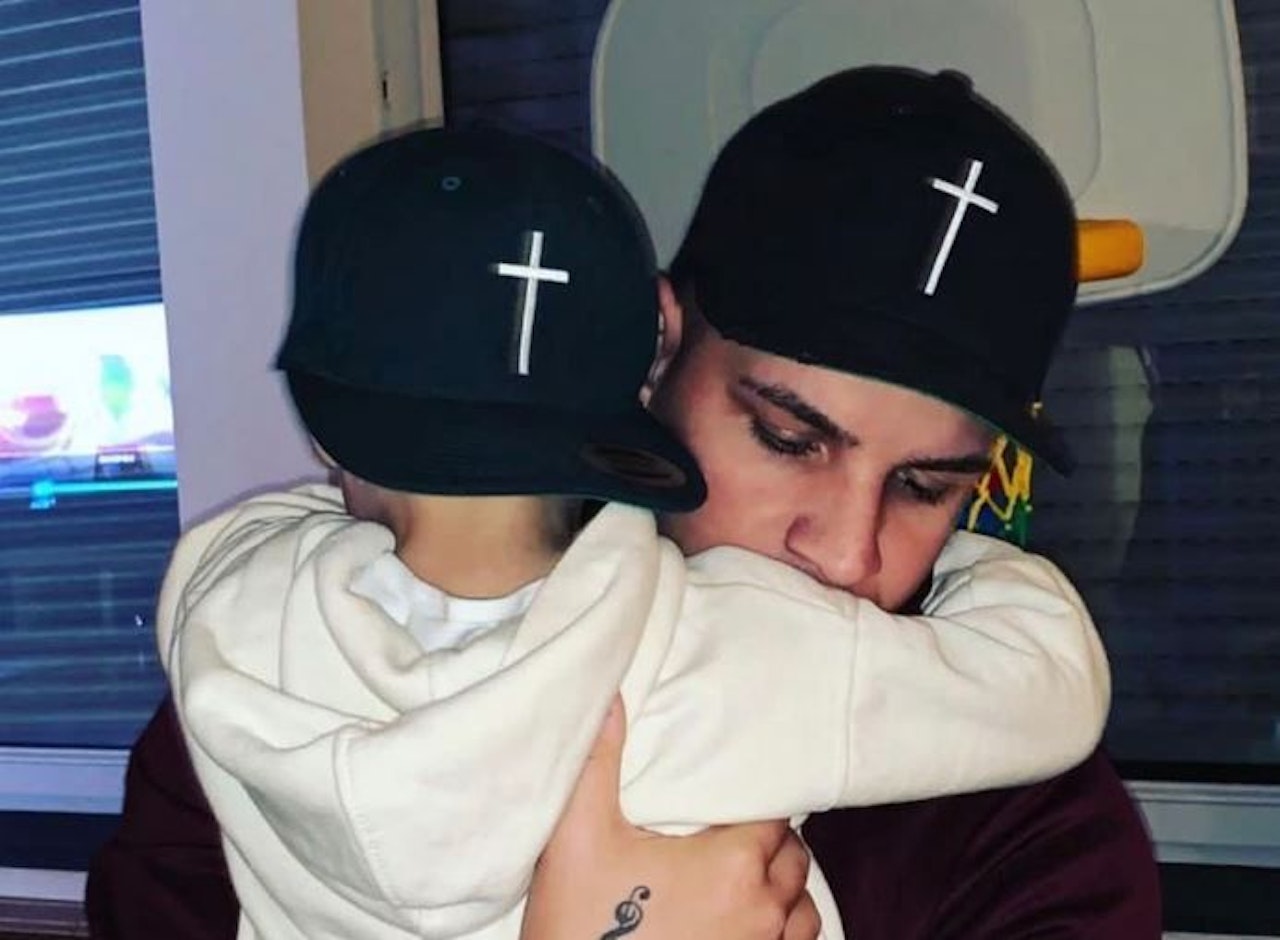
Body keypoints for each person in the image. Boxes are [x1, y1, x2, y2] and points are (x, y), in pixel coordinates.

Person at [86, 67, 1162, 940]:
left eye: (925, 488)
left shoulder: (1026, 821)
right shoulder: (296, 675)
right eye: (786, 438)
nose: (846, 555)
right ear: (655, 348)